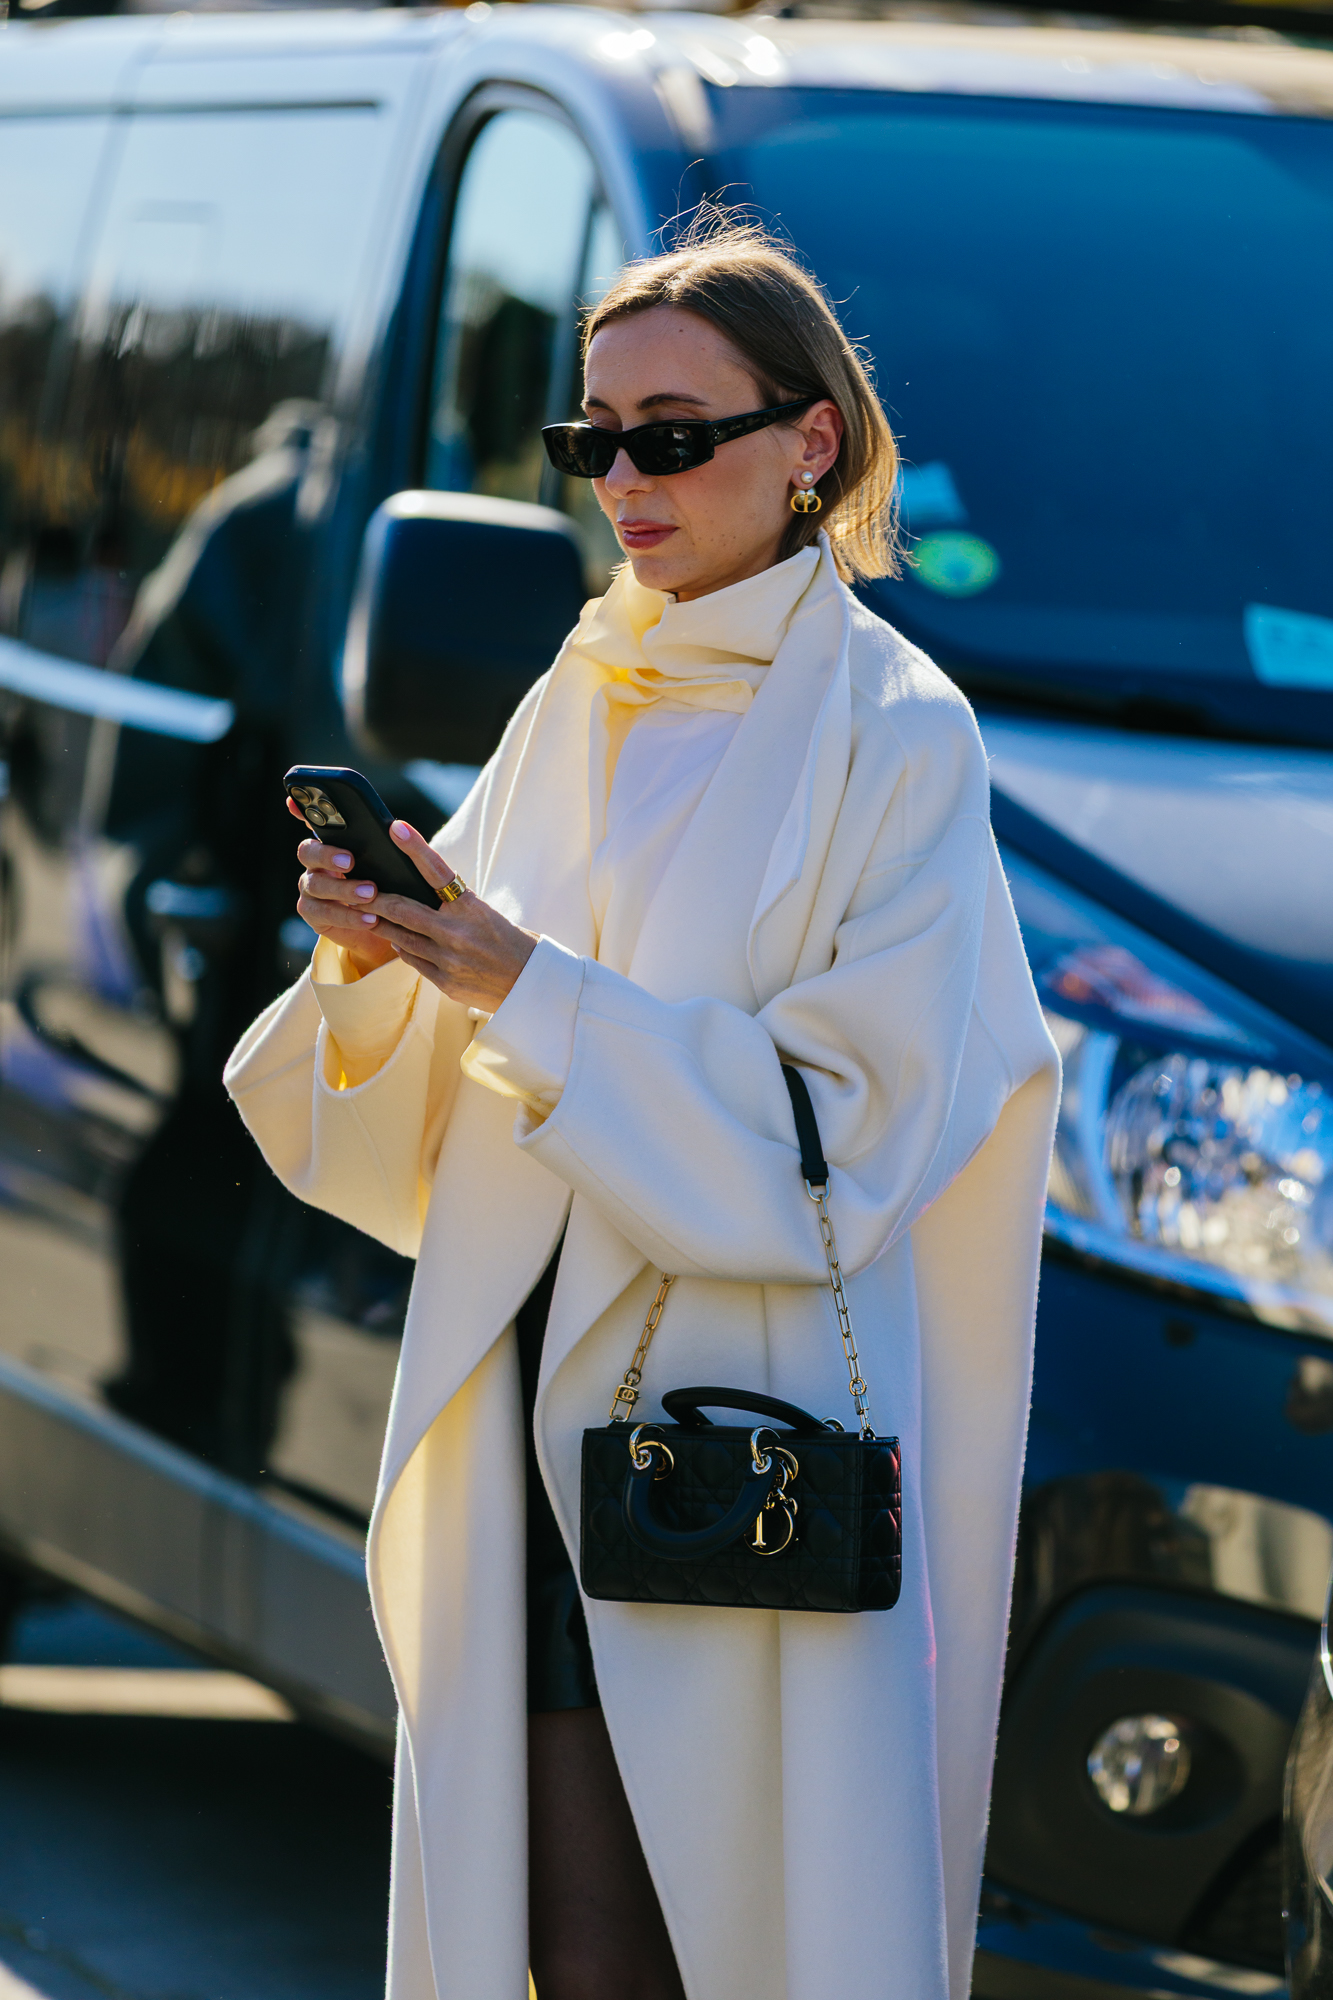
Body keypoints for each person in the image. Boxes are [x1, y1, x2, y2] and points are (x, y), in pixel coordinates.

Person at [224, 218, 1060, 2000]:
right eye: (589, 441)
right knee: (550, 1949)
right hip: (525, 1416)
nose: (624, 478)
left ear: (809, 442)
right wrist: (385, 960)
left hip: (737, 1452)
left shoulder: (898, 736)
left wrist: (515, 982)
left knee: (712, 1949)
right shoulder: (578, 692)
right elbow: (445, 1113)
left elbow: (841, 1151)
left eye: (670, 434)